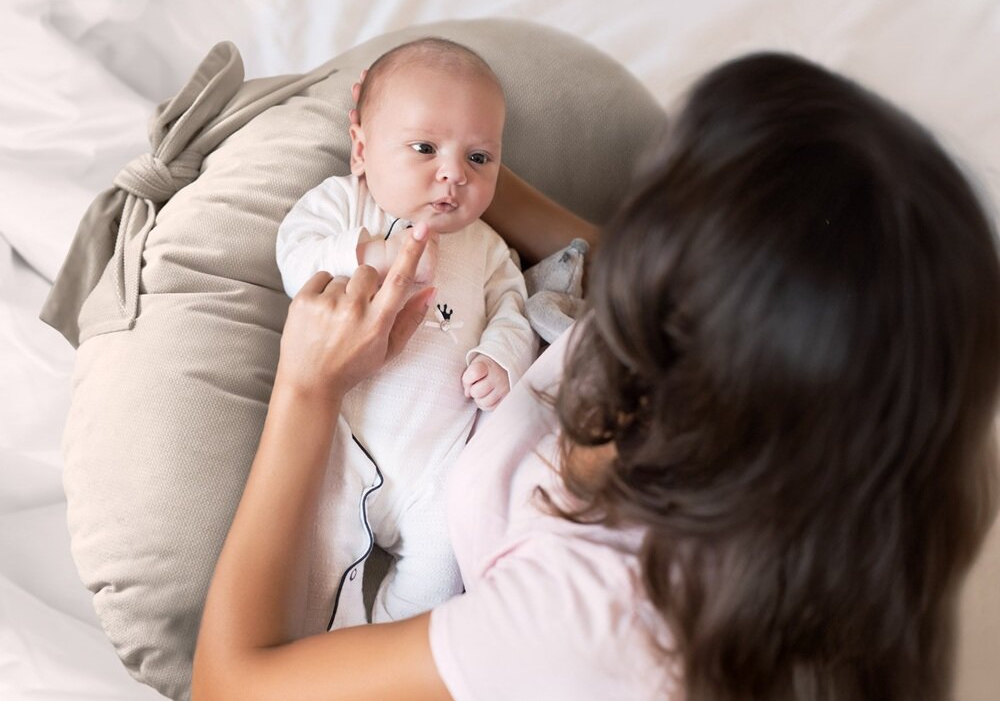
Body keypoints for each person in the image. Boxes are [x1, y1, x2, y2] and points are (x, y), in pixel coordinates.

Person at [193, 51, 1000, 700]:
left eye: (661, 208)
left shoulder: (596, 621)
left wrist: (307, 387)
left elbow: (229, 685)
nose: (630, 227)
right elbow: (596, 250)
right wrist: (445, 155)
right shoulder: (848, 421)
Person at [273, 38, 537, 628]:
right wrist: (370, 251)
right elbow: (295, 256)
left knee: (443, 575)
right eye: (424, 148)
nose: (453, 175)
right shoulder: (345, 206)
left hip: (438, 467)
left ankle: (385, 654)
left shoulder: (489, 248)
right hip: (341, 451)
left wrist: (499, 359)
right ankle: (325, 657)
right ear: (362, 150)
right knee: (309, 582)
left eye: (479, 158)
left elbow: (513, 311)